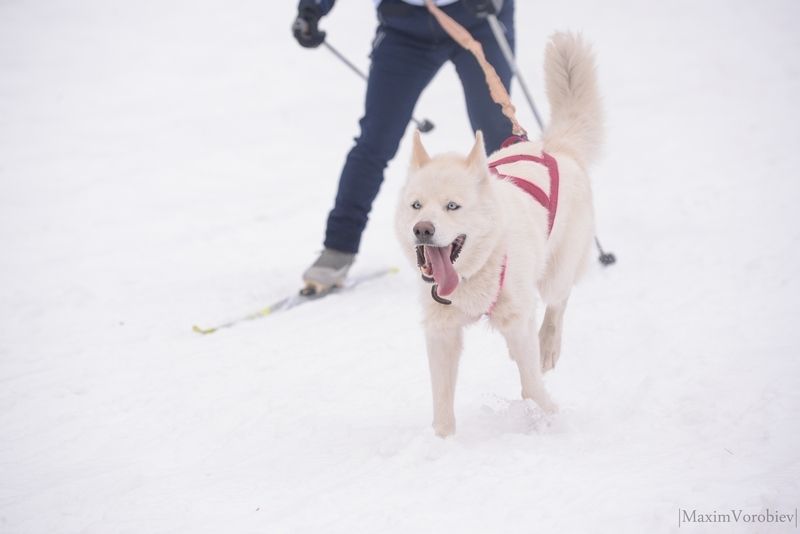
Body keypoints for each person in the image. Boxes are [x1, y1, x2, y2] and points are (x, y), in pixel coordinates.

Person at [292, 0, 515, 294]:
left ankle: (522, 242)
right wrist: (312, 8)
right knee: (375, 142)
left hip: (475, 18)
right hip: (405, 27)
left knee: (500, 138)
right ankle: (338, 248)